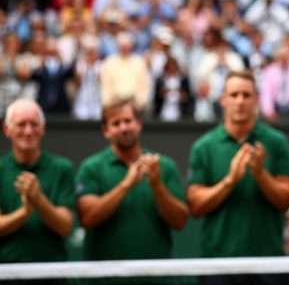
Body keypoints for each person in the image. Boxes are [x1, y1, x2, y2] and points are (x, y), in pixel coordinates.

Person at [187, 70, 289, 285]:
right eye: (234, 95)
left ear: (256, 99)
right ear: (223, 100)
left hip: (268, 263)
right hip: (217, 264)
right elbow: (195, 206)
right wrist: (230, 180)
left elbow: (285, 201)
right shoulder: (203, 146)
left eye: (246, 95)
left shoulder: (277, 142)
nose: (240, 101)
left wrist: (260, 174)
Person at [75, 99, 188, 272]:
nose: (123, 128)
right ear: (106, 130)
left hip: (155, 277)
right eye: (116, 123)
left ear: (139, 124)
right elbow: (87, 218)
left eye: (128, 121)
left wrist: (157, 185)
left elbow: (180, 222)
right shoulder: (91, 168)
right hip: (104, 278)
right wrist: (126, 184)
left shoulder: (164, 166)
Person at [0, 99, 74, 282]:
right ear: (7, 129)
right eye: (21, 124)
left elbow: (65, 227)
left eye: (34, 124)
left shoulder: (62, 168)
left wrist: (38, 199)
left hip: (52, 277)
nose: (28, 131)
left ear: (43, 129)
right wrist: (25, 211)